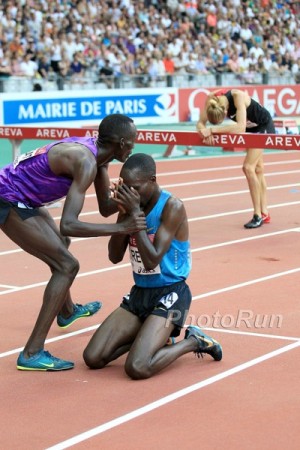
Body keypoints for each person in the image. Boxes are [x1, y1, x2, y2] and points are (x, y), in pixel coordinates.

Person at [0, 114, 147, 371]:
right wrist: (121, 228)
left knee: (61, 245)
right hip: (8, 198)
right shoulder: (85, 161)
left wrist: (132, 197)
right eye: (133, 141)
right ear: (122, 142)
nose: (134, 146)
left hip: (25, 199)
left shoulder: (100, 160)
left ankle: (66, 311)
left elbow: (104, 207)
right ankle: (32, 353)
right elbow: (69, 223)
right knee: (67, 266)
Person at [83, 153, 222, 379]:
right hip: (140, 293)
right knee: (93, 357)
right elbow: (114, 256)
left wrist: (136, 216)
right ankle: (150, 335)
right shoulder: (130, 206)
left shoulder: (172, 206)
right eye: (126, 187)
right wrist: (125, 215)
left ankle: (194, 341)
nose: (130, 193)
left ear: (153, 180)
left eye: (135, 187)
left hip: (171, 293)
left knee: (137, 367)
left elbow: (151, 260)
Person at [197, 89, 275, 229]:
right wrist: (204, 131)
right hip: (251, 130)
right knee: (258, 169)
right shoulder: (210, 99)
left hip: (262, 125)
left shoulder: (237, 96)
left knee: (248, 168)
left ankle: (257, 215)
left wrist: (213, 130)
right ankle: (265, 213)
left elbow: (240, 127)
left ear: (226, 111)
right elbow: (200, 123)